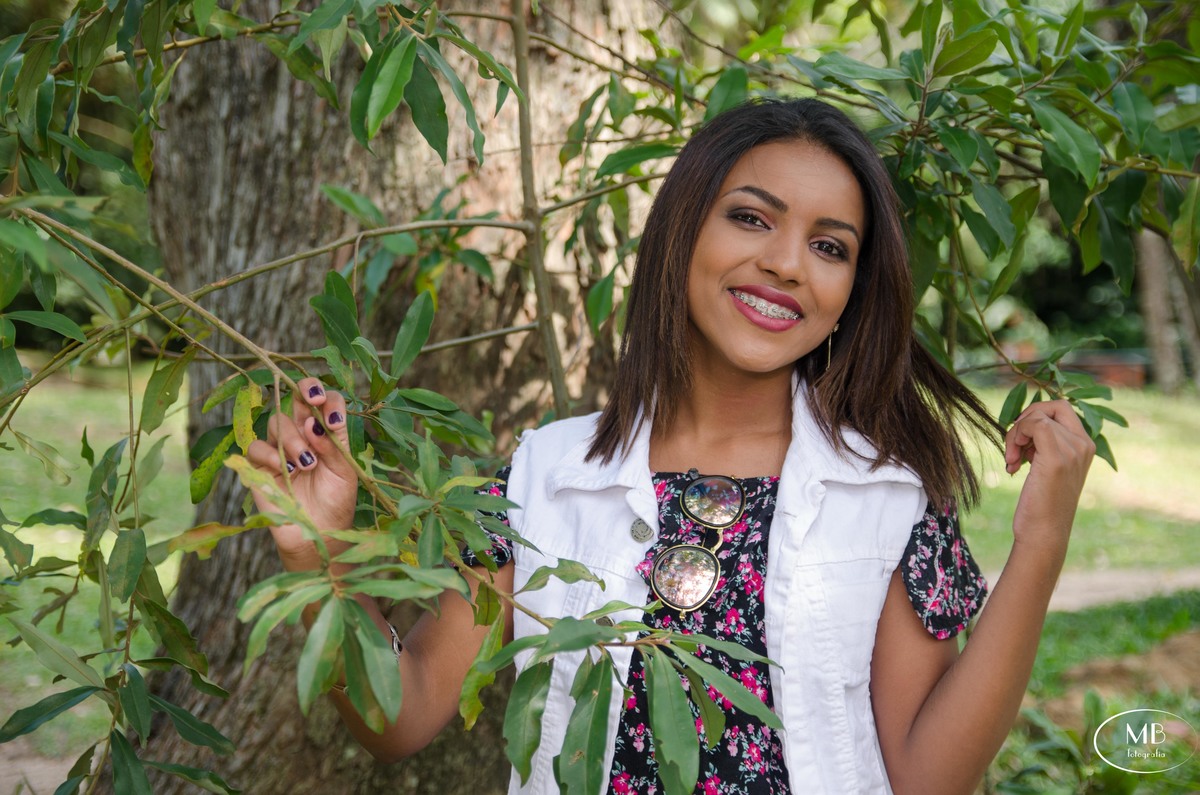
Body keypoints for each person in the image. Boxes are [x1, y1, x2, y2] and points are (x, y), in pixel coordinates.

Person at [247, 98, 1095, 794]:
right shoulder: (543, 477)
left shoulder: (891, 498)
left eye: (830, 245)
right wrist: (327, 561)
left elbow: (929, 776)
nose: (788, 263)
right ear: (683, 228)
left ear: (851, 291)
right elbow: (403, 714)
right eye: (751, 218)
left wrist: (1041, 544)